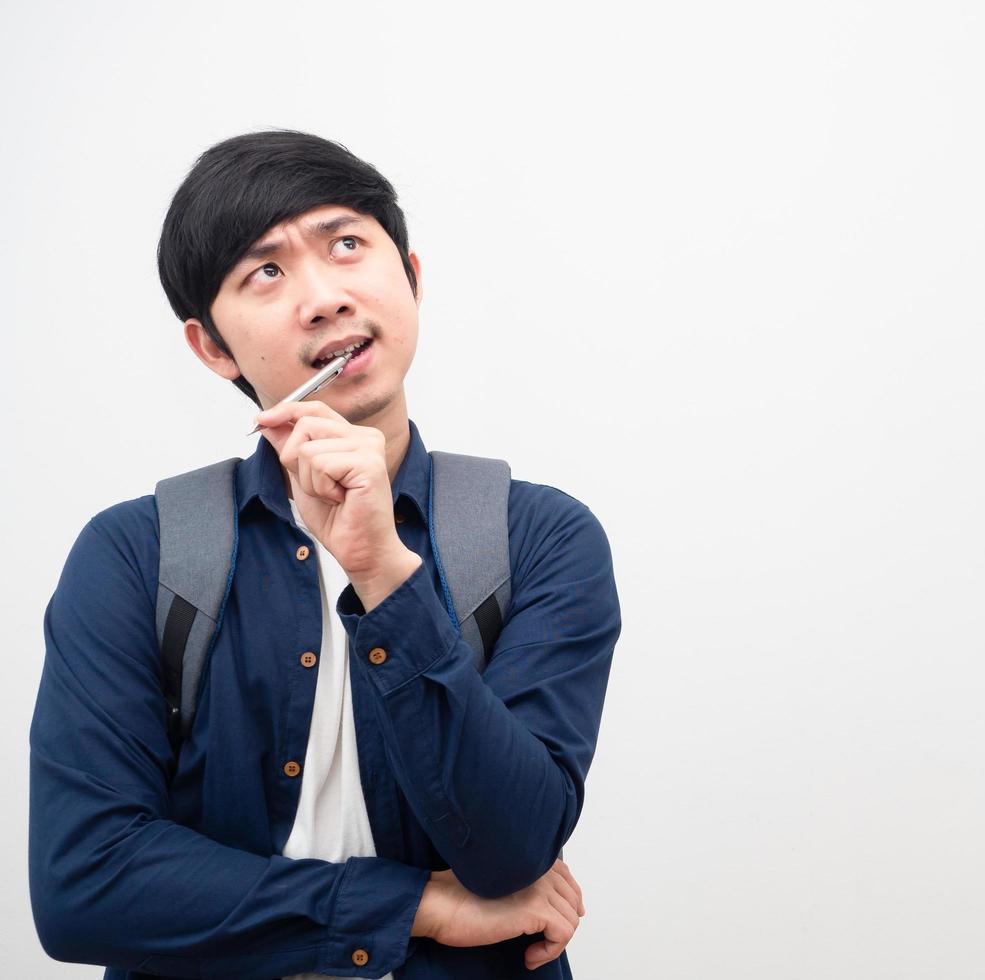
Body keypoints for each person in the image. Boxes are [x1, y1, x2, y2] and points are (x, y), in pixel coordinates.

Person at [28, 130, 622, 979]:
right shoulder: (135, 553)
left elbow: (512, 851)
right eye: (264, 272)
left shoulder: (541, 537)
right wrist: (415, 905)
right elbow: (83, 886)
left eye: (348, 244)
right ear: (212, 350)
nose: (323, 297)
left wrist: (385, 574)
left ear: (410, 279)